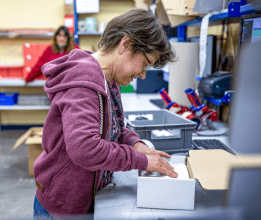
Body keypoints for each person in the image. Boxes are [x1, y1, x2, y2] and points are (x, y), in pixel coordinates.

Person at [33, 8, 178, 219]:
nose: (144, 75)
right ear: (125, 45)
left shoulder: (108, 78)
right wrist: (141, 161)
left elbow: (113, 127)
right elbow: (85, 148)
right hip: (62, 207)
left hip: (85, 198)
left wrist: (136, 144)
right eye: (144, 64)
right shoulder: (84, 83)